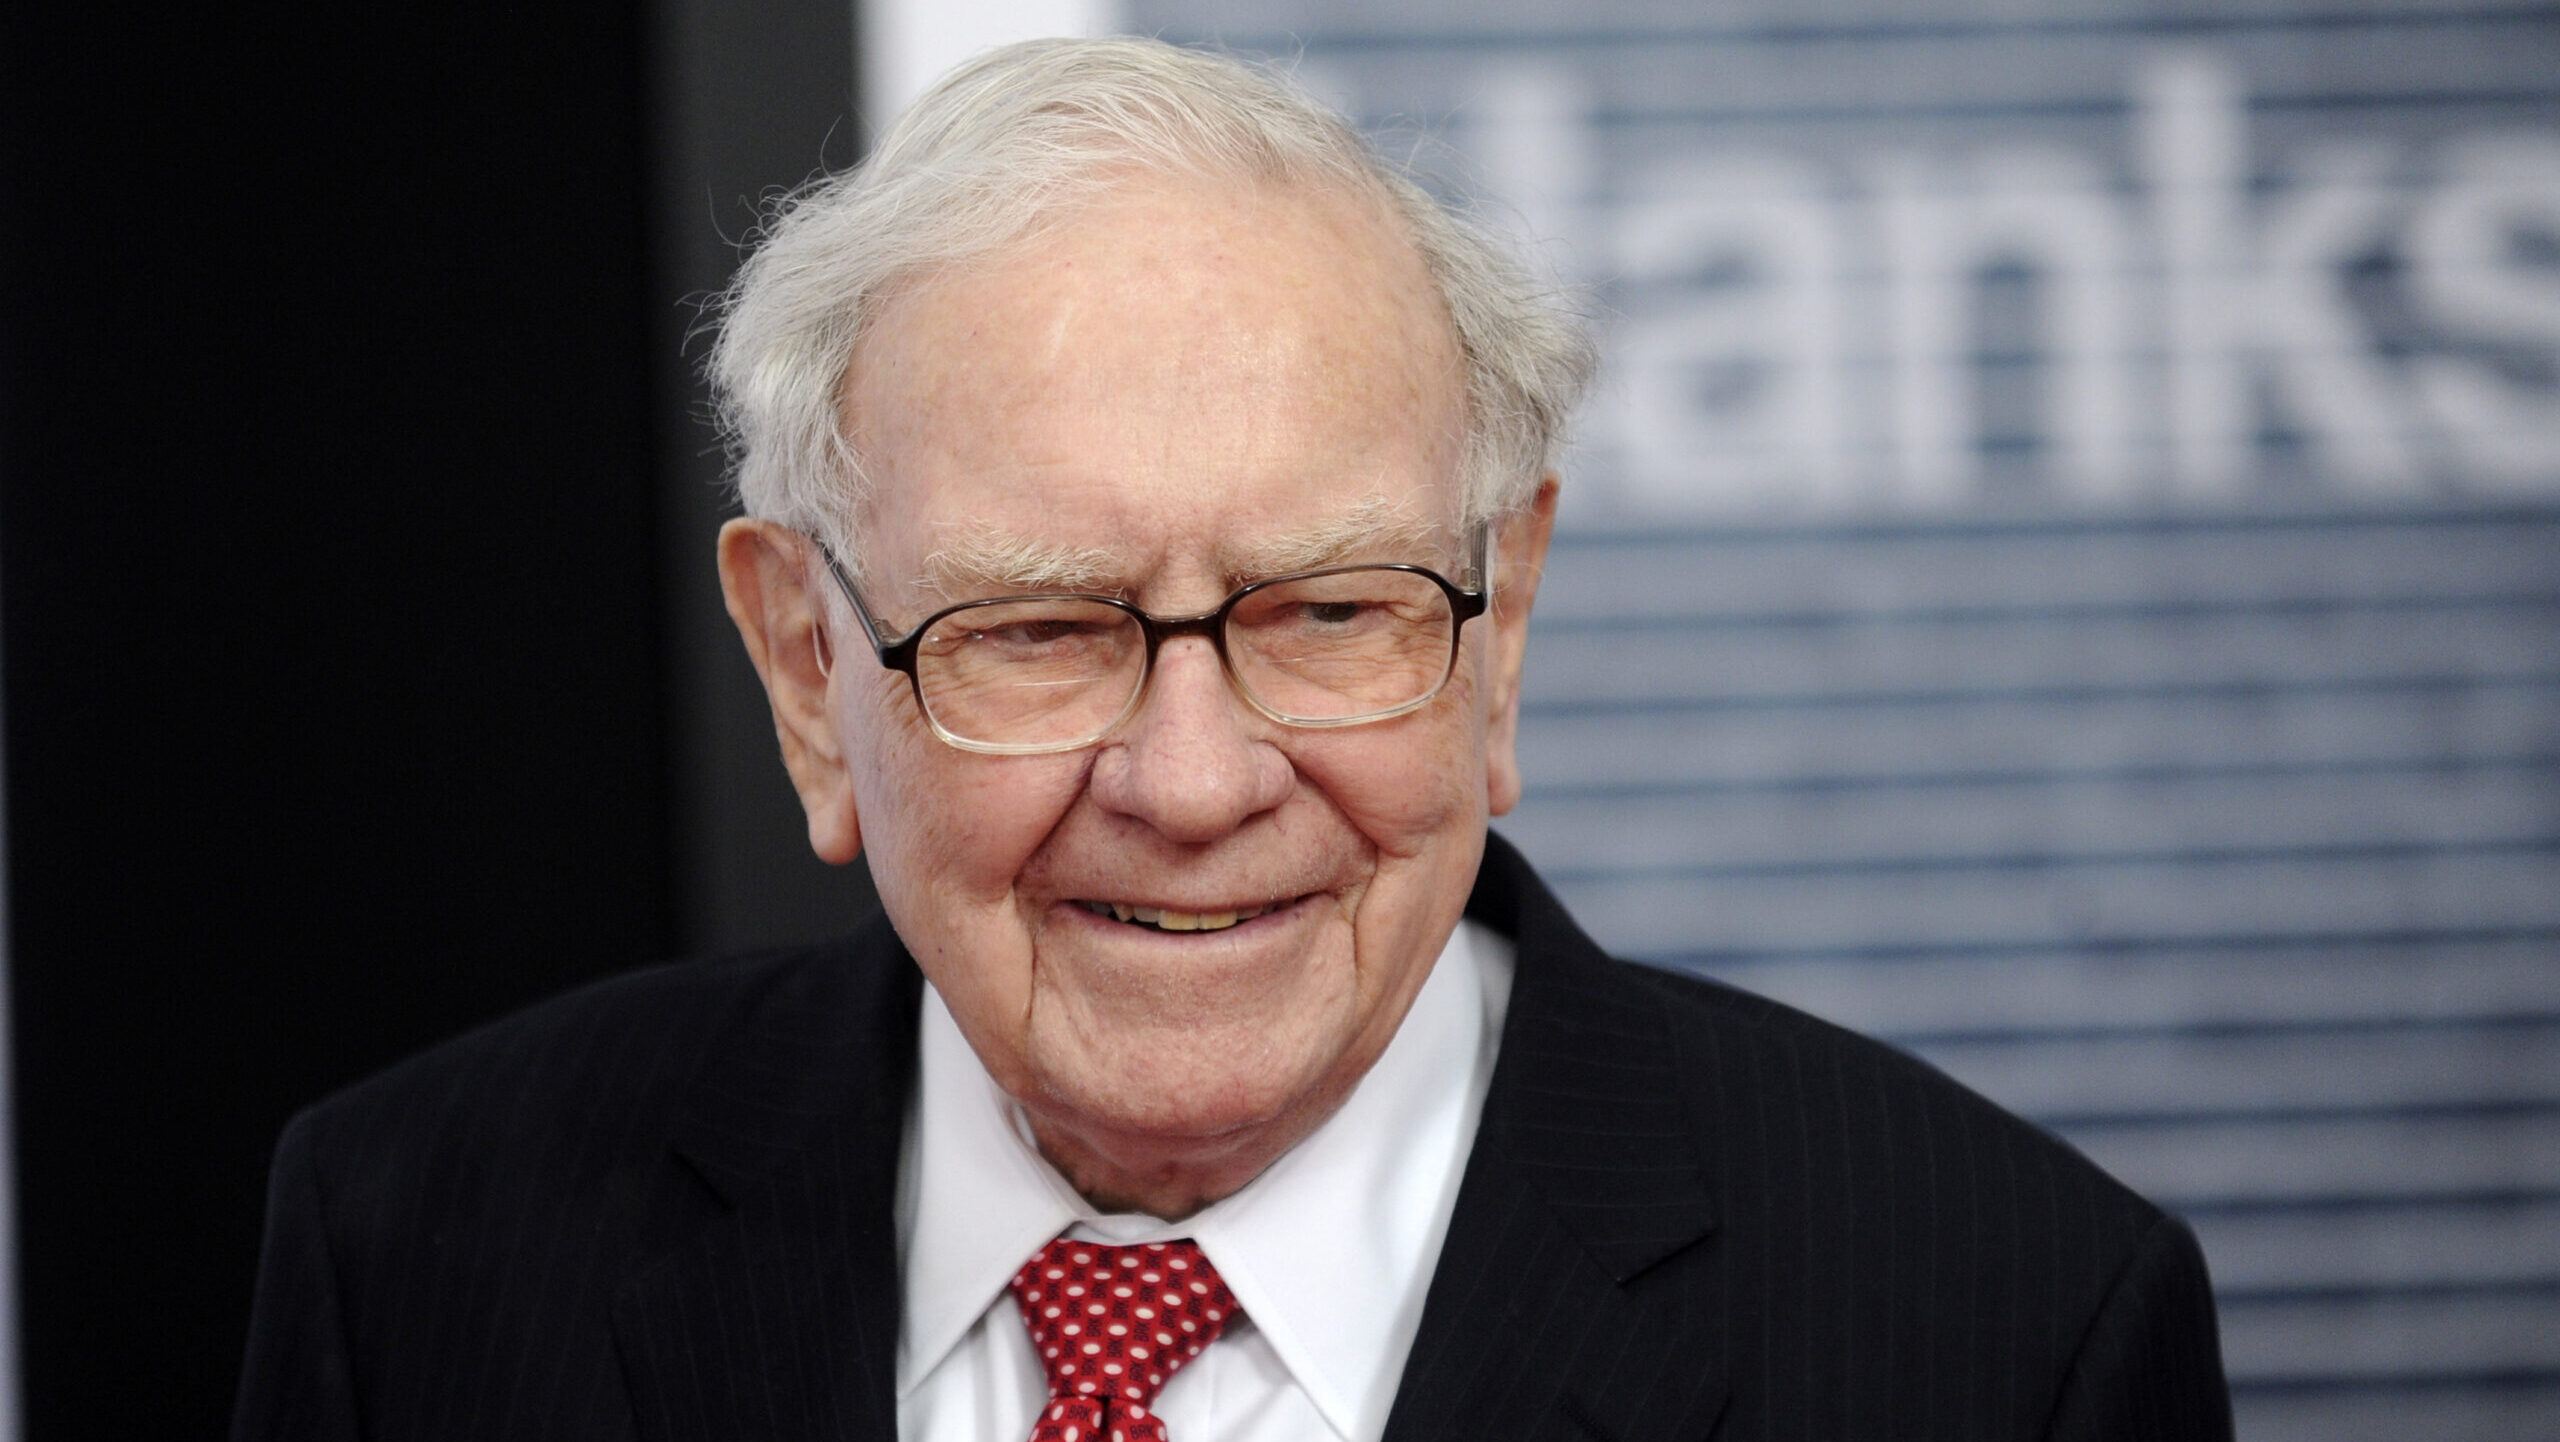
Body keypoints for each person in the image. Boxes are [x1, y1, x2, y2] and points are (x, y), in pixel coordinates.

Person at [233, 36, 2232, 1442]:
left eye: (1329, 610)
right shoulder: (418, 1244)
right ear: (799, 668)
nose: (1191, 783)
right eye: (1035, 628)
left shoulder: (2000, 1328)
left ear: (1500, 625)